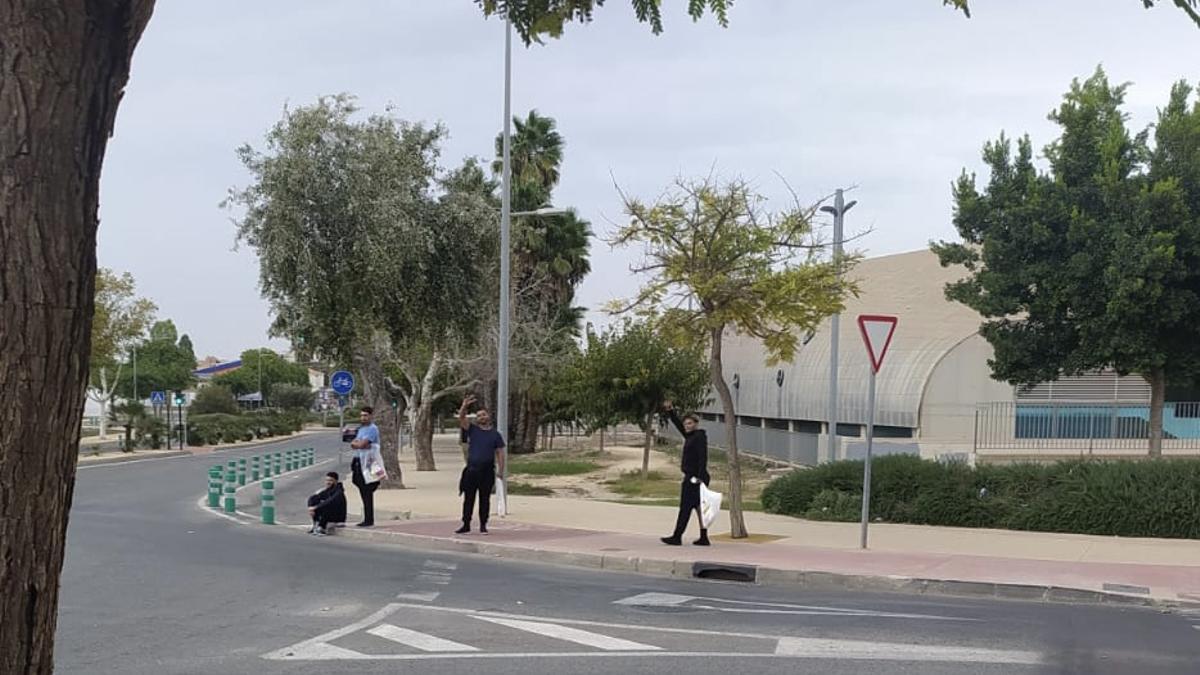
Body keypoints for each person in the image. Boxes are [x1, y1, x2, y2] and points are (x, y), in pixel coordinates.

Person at [661, 400, 711, 546]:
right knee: (698, 507)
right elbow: (678, 426)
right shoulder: (690, 436)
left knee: (685, 507)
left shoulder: (699, 437)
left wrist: (700, 477)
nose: (686, 426)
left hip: (695, 478)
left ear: (696, 424)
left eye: (689, 423)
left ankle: (677, 537)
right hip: (693, 476)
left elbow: (703, 457)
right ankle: (704, 537)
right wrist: (670, 411)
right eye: (685, 424)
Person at [456, 394, 505, 535]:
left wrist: (501, 471)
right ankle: (466, 524)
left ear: (488, 416)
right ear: (476, 420)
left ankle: (483, 524)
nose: (481, 417)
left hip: (487, 471)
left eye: (483, 415)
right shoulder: (473, 430)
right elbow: (462, 418)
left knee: (485, 499)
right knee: (468, 499)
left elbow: (500, 453)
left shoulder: (495, 435)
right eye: (478, 416)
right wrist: (464, 405)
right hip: (471, 471)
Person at [349, 406, 384, 527]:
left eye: (365, 415)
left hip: (370, 463)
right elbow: (354, 443)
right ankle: (367, 517)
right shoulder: (361, 429)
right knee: (358, 483)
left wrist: (360, 444)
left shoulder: (372, 429)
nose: (363, 418)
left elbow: (363, 444)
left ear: (371, 416)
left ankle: (369, 519)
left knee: (368, 489)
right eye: (362, 415)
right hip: (359, 460)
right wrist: (358, 444)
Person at [307, 471, 347, 536]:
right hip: (330, 515)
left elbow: (330, 501)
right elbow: (314, 498)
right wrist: (310, 507)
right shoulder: (328, 490)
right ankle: (316, 525)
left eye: (331, 480)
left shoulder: (339, 492)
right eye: (327, 480)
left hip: (338, 518)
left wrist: (315, 507)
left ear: (336, 481)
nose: (328, 482)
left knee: (326, 505)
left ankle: (322, 527)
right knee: (314, 499)